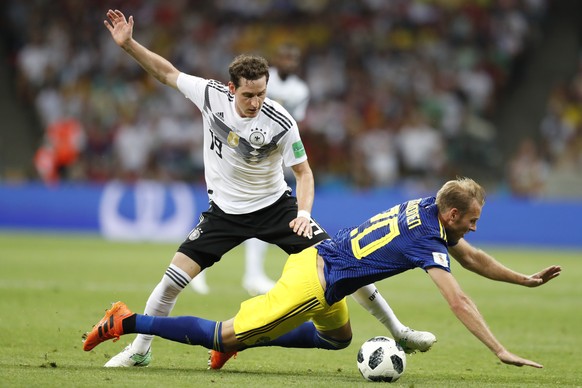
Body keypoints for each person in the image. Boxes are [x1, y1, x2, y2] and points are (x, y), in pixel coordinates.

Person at [100, 9, 434, 368]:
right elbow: (165, 72)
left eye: (261, 93)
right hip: (224, 214)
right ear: (231, 88)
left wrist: (303, 214)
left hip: (277, 209)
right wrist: (130, 44)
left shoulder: (280, 121)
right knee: (170, 283)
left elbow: (304, 174)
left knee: (343, 264)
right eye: (248, 95)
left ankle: (398, 330)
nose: (256, 102)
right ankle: (139, 351)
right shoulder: (209, 95)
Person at [83, 177, 561, 371]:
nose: (476, 226)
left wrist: (524, 280)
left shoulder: (427, 209)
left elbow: (473, 258)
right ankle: (126, 321)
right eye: (472, 219)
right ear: (453, 215)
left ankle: (237, 343)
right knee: (221, 334)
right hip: (313, 280)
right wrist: (499, 350)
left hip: (327, 265)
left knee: (336, 340)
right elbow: (458, 301)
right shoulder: (427, 238)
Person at [191, 42, 312, 296]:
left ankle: (253, 274)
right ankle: (200, 270)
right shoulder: (263, 80)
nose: (289, 62)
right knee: (222, 213)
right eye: (286, 56)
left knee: (262, 208)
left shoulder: (301, 90)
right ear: (278, 59)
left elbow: (293, 122)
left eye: (294, 58)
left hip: (272, 148)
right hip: (240, 149)